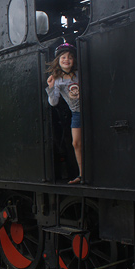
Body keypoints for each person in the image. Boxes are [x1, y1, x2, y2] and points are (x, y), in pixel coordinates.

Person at [46, 43, 82, 184]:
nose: (67, 60)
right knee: (76, 143)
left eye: (70, 57)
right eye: (64, 57)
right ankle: (81, 174)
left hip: (87, 110)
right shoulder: (57, 80)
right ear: (58, 60)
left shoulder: (79, 74)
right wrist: (50, 87)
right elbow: (54, 102)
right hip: (76, 113)